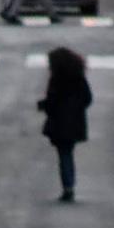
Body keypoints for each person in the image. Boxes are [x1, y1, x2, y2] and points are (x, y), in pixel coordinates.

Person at [37, 47, 90, 202]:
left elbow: (52, 100)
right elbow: (87, 98)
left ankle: (68, 187)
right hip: (75, 123)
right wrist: (77, 109)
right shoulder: (79, 77)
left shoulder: (56, 79)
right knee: (67, 154)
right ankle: (69, 185)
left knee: (64, 155)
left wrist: (44, 106)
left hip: (60, 123)